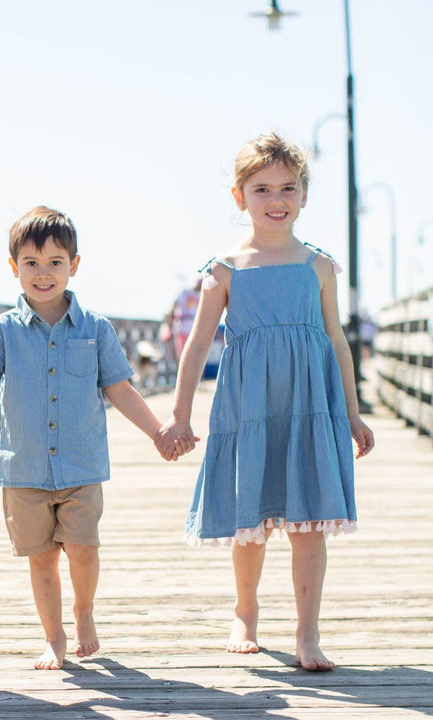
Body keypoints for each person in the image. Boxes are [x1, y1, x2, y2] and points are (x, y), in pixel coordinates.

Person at [156, 133, 375, 671]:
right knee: (250, 521)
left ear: (302, 194)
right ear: (239, 197)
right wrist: (180, 414)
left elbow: (337, 341)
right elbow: (197, 345)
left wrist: (351, 410)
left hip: (309, 409)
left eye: (288, 188)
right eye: (261, 189)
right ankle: (245, 611)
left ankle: (307, 633)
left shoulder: (318, 267)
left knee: (308, 524)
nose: (276, 200)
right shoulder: (225, 269)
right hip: (248, 410)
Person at [0, 206, 169, 670]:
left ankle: (83, 611)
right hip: (24, 468)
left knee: (84, 549)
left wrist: (157, 432)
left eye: (55, 262)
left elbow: (120, 388)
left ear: (75, 265)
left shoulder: (96, 328)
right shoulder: (1, 331)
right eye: (31, 263)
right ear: (14, 269)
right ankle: (54, 638)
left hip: (81, 465)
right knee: (41, 560)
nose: (43, 273)